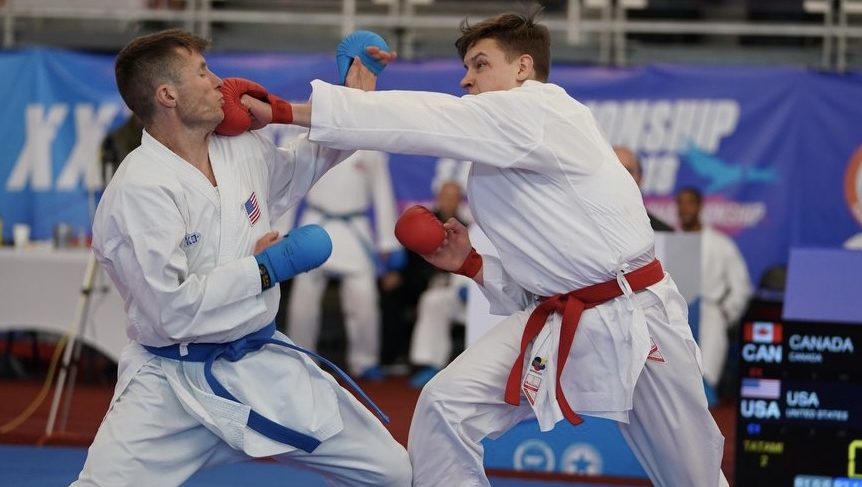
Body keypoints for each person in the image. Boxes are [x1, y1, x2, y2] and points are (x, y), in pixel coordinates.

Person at [238, 5, 730, 486]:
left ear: (523, 68)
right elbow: (545, 282)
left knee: (693, 476)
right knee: (445, 405)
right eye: (465, 69)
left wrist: (285, 111)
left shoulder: (539, 109)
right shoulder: (499, 156)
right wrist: (473, 264)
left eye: (480, 65)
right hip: (560, 320)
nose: (466, 80)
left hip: (633, 320)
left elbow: (428, 119)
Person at [72, 29, 410, 486]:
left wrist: (351, 96)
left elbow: (307, 162)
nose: (218, 81)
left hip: (261, 364)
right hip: (172, 385)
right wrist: (262, 271)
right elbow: (170, 310)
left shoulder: (239, 148)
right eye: (202, 72)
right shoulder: (140, 190)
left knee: (391, 472)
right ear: (167, 95)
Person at [286, 149, 401, 380]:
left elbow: (382, 192)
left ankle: (365, 360)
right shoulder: (312, 139)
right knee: (303, 301)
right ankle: (302, 357)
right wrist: (282, 229)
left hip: (354, 228)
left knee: (364, 299)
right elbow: (291, 188)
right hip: (316, 224)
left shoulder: (370, 147)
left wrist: (388, 241)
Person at [676, 186, 752, 404]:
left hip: (710, 313)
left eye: (690, 202)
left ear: (700, 206)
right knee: (676, 378)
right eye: (680, 203)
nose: (685, 208)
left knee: (705, 378)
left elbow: (741, 285)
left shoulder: (721, 244)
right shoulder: (668, 242)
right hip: (676, 314)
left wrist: (726, 313)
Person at [406, 180, 473, 388]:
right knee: (432, 301)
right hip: (441, 289)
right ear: (438, 198)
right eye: (446, 197)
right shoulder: (425, 226)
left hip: (473, 290)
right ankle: (430, 364)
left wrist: (469, 286)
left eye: (454, 198)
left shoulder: (469, 227)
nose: (449, 202)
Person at [613, 146, 674, 232]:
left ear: (640, 178)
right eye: (614, 170)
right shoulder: (588, 229)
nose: (622, 177)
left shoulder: (663, 233)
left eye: (628, 171)